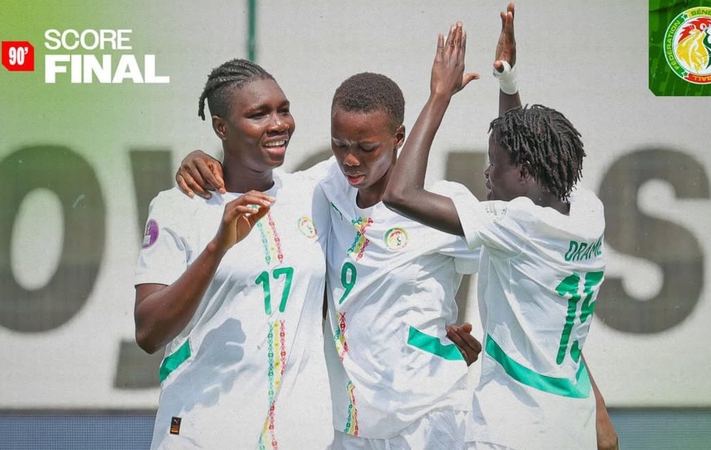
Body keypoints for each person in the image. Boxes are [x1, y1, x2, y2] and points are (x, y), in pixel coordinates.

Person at [177, 72, 482, 450]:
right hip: (348, 426)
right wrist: (202, 160)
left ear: (398, 138)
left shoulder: (445, 204)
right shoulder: (324, 188)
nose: (350, 160)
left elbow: (519, 260)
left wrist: (492, 339)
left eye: (367, 148)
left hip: (431, 418)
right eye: (339, 145)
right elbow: (254, 178)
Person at [382, 9, 615, 449]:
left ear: (524, 171)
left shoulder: (518, 224)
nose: (487, 173)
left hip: (514, 430)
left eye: (495, 164)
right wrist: (508, 83)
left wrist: (439, 97)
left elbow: (401, 193)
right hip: (572, 423)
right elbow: (523, 150)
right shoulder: (587, 211)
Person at [134, 58, 332, 449]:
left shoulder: (316, 192)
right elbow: (148, 332)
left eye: (283, 109)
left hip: (298, 435)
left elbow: (383, 149)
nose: (278, 124)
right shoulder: (179, 207)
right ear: (221, 127)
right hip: (204, 431)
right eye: (258, 114)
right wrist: (217, 247)